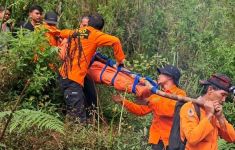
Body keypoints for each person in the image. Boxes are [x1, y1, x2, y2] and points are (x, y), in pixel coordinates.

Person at [59, 13, 126, 123]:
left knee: (85, 103)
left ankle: (90, 121)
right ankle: (74, 134)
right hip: (73, 79)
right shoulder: (95, 34)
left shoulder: (79, 32)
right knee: (78, 119)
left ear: (88, 23)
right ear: (100, 29)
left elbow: (63, 32)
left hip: (65, 75)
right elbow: (115, 41)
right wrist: (120, 61)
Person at [112, 65, 186, 150]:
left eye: (162, 74)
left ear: (170, 77)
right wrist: (123, 101)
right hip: (157, 139)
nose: (159, 76)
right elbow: (141, 110)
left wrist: (149, 102)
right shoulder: (157, 94)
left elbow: (170, 110)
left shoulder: (180, 94)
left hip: (171, 140)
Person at [180, 74, 235, 150]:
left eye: (226, 96)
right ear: (210, 90)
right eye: (222, 95)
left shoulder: (216, 112)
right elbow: (192, 139)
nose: (223, 100)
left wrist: (220, 117)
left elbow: (232, 138)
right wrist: (209, 115)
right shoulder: (190, 107)